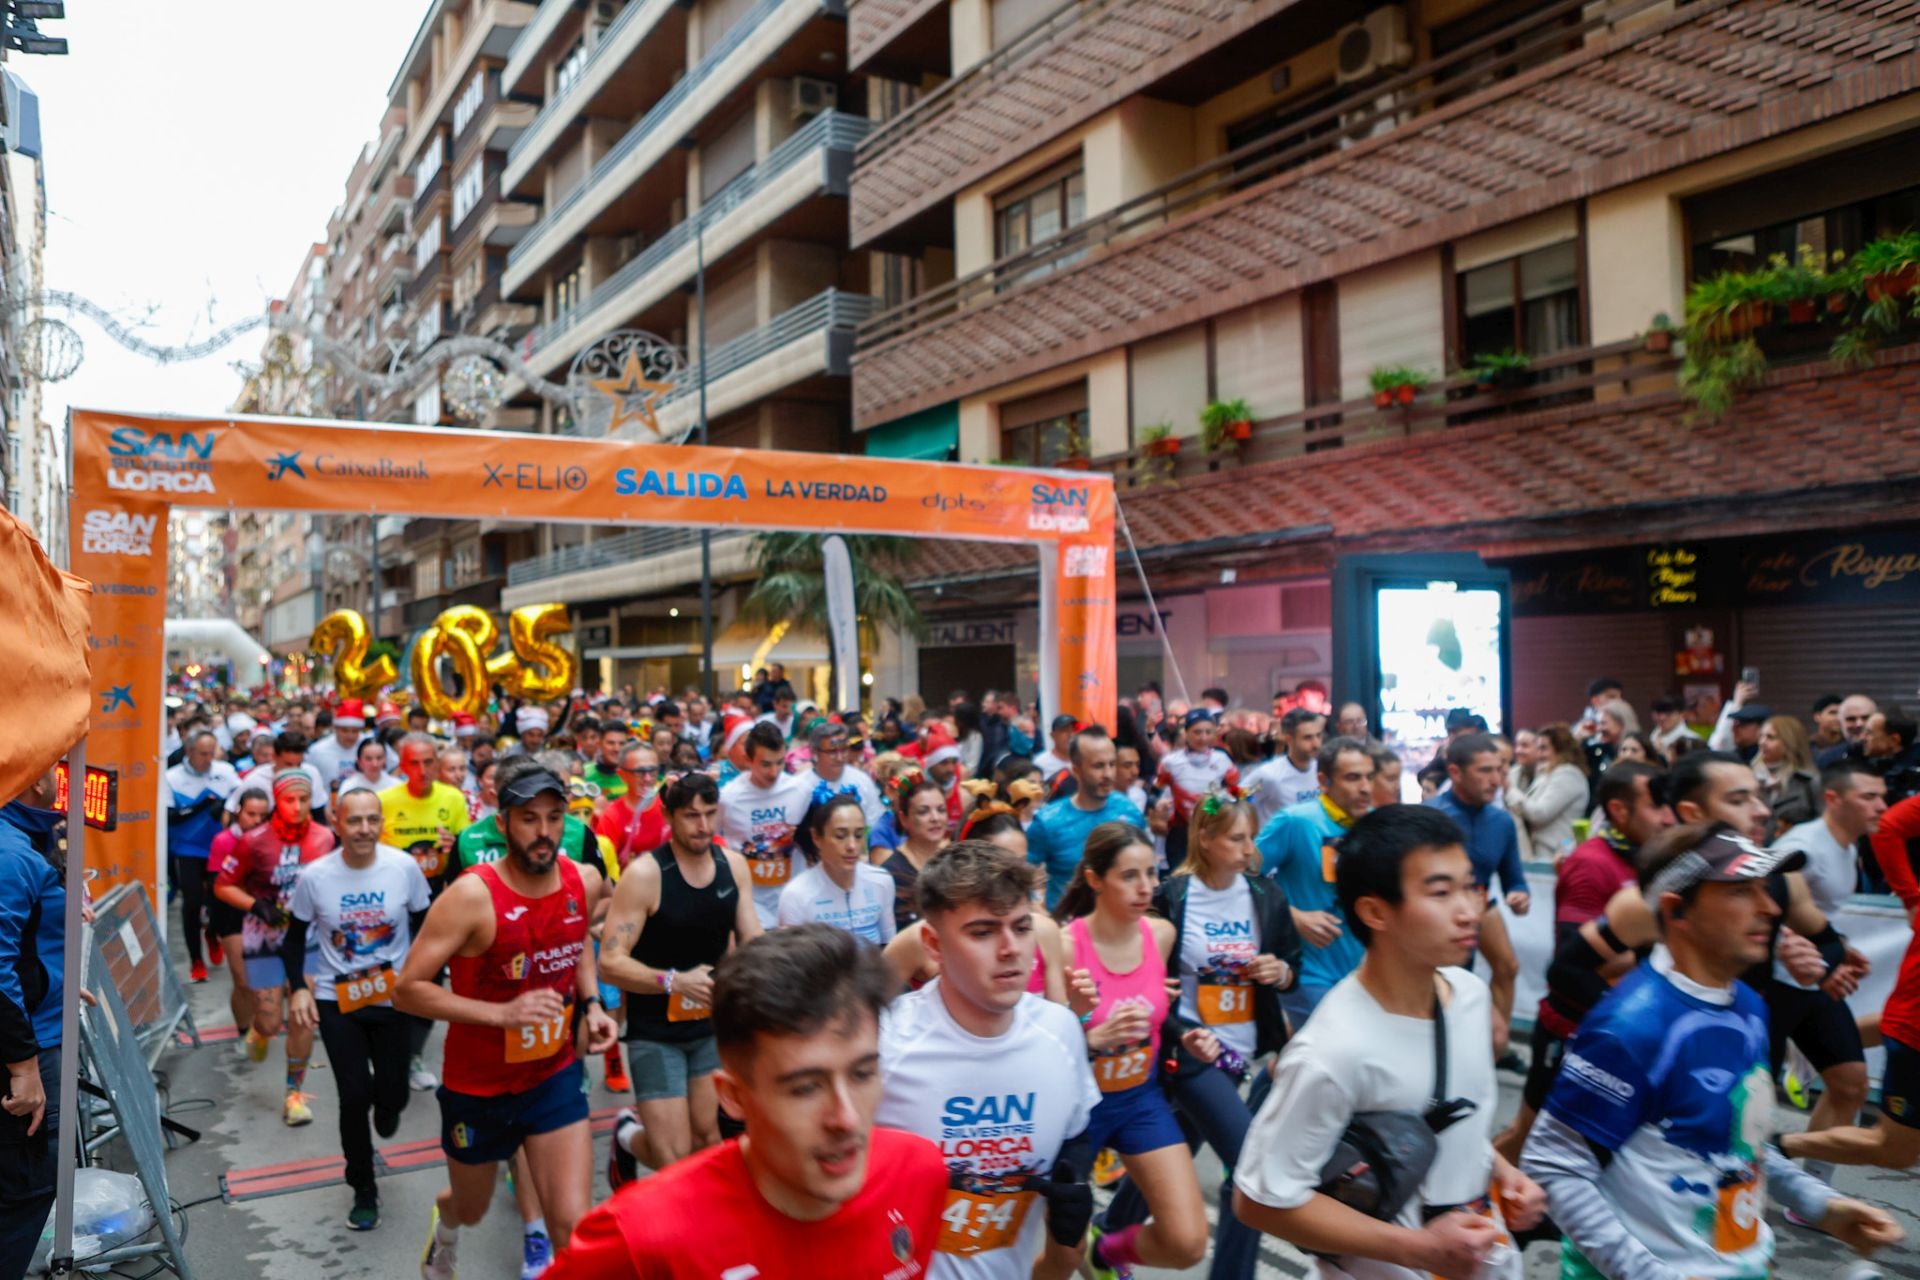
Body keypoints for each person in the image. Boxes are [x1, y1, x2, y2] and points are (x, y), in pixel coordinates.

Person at [1521, 822, 1901, 1277]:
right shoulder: (1631, 1025)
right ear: (1677, 910)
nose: (1769, 906)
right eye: (1741, 891)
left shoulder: (1748, 1005)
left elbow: (1737, 1144)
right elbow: (1555, 1165)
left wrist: (1819, 1204)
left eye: (1766, 888)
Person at [1233, 804, 1545, 1279]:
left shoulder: (1469, 995)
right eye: (1440, 892)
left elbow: (1446, 1125)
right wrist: (1417, 1249)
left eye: (1470, 887)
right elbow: (1259, 1199)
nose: (1468, 911)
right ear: (1375, 911)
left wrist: (1504, 1175)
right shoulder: (1333, 1050)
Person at [546, 924, 946, 1279]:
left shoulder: (920, 1173)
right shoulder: (640, 1236)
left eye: (862, 1074)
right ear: (734, 1097)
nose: (846, 1118)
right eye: (806, 1088)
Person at [398, 764, 617, 1280]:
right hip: (479, 1085)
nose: (544, 832)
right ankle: (445, 1223)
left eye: (555, 817)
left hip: (553, 1074)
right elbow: (407, 989)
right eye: (529, 819)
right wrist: (500, 1015)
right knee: (471, 1208)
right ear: (504, 823)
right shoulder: (472, 896)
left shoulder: (582, 880)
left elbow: (578, 939)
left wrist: (591, 1005)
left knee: (572, 1223)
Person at [876, 841, 1102, 1279]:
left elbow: (1073, 1147)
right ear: (933, 944)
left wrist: (1065, 1241)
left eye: (1021, 928)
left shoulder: (1059, 1032)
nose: (1010, 949)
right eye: (982, 932)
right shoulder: (885, 1043)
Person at [1102, 793, 1300, 1280]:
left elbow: (1291, 966)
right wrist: (1169, 1019)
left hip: (1245, 1049)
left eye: (1252, 837)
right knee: (1250, 1165)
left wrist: (1279, 972)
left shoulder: (1266, 895)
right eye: (1237, 838)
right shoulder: (1172, 895)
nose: (1249, 848)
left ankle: (1107, 1230)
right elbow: (1146, 974)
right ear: (1206, 839)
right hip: (1191, 1049)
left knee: (1178, 1144)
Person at [1052, 823, 1212, 1275]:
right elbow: (1040, 1045)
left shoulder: (1159, 935)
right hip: (1077, 1111)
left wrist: (1186, 1035)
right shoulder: (1064, 947)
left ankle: (1104, 1251)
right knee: (1056, 1259)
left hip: (1140, 1099)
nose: (1146, 888)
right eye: (1129, 876)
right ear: (1094, 879)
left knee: (1187, 1242)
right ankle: (1076, 1251)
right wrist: (1088, 1036)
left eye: (1151, 873)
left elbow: (1156, 1008)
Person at [1494, 760, 1671, 1164]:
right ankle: (1470, 1206)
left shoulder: (1649, 860)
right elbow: (1573, 964)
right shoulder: (1592, 864)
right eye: (1655, 805)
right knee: (1527, 1135)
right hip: (1569, 1027)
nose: (1666, 817)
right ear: (1619, 811)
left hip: (1614, 1031)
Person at [600, 772, 762, 1188]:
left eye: (710, 814)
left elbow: (752, 944)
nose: (703, 826)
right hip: (656, 1031)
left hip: (710, 1026)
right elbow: (610, 962)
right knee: (672, 1156)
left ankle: (704, 1243)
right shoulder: (646, 875)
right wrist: (674, 981)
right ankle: (626, 1137)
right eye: (691, 816)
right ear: (669, 816)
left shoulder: (734, 867)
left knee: (707, 1140)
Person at [283, 787, 433, 1231]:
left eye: (372, 820)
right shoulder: (315, 877)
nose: (364, 829)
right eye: (355, 821)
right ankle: (363, 1188)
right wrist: (299, 989)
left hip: (393, 998)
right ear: (337, 823)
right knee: (353, 1096)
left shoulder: (403, 867)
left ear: (381, 822)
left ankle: (390, 1106)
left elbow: (427, 927)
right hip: (337, 999)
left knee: (392, 1093)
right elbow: (294, 939)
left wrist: (422, 978)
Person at [1765, 760, 1886, 1171]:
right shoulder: (1803, 844)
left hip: (1816, 984)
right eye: (1868, 797)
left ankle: (1811, 1190)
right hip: (1774, 986)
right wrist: (1801, 954)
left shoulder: (1849, 846)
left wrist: (1842, 947)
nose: (1881, 806)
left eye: (1882, 796)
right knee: (1749, 1096)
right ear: (1833, 799)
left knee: (1851, 1084)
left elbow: (1814, 914)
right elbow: (1760, 905)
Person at [214, 770, 338, 1126]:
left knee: (304, 1018)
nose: (297, 807)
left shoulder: (325, 837)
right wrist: (256, 905)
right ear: (276, 802)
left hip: (310, 940)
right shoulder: (254, 841)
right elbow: (224, 886)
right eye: (288, 800)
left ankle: (294, 1096)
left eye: (303, 799)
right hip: (263, 939)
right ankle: (259, 1030)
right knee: (270, 1022)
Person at [1254, 736, 1375, 1026]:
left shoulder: (1377, 825)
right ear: (1324, 780)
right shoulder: (1296, 821)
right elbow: (1240, 875)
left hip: (1365, 970)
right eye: (1352, 778)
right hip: (1308, 970)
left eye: (1370, 777)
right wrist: (1291, 916)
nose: (1365, 788)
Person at [0, 779, 67, 1279]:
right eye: (53, 761)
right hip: (26, 1049)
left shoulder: (22, 841)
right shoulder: (11, 853)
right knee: (26, 1192)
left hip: (36, 1028)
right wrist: (24, 1068)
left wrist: (59, 981)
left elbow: (26, 947)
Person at [1425, 733, 1528, 1034]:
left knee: (1508, 967)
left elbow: (1515, 880)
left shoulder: (1502, 821)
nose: (1496, 780)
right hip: (1439, 908)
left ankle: (1495, 1043)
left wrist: (1520, 895)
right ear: (1455, 772)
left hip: (1480, 901)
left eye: (1500, 769)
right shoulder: (1432, 816)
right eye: (1485, 771)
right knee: (1450, 981)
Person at [1026, 727, 1146, 911]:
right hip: (1068, 930)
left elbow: (1145, 869)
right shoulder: (1048, 821)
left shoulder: (1129, 811)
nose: (1108, 774)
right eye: (1098, 766)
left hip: (1120, 926)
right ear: (1076, 770)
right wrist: (1040, 915)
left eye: (1112, 764)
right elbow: (1019, 875)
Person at [164, 728, 242, 982]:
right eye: (203, 754)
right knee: (192, 903)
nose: (209, 759)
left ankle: (212, 933)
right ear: (189, 752)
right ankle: (196, 960)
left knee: (219, 904)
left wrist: (228, 807)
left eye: (212, 753)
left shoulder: (226, 772)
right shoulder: (171, 777)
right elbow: (169, 818)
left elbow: (243, 801)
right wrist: (202, 806)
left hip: (219, 849)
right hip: (187, 849)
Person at [719, 722, 812, 928]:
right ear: (748, 760)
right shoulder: (728, 798)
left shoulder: (801, 790)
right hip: (752, 901)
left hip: (794, 895)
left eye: (779, 763)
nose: (774, 772)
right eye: (765, 764)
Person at [779, 791, 896, 946]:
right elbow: (791, 964)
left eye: (859, 835)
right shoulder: (796, 895)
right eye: (840, 836)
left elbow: (889, 947)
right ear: (816, 837)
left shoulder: (881, 882)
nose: (852, 846)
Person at [209, 784, 271, 1030]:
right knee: (242, 980)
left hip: (264, 913)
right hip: (231, 913)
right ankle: (244, 1029)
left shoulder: (273, 840)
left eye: (262, 815)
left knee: (263, 980)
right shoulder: (223, 840)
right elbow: (216, 885)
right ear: (238, 812)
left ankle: (261, 1025)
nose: (256, 820)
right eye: (251, 814)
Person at [381, 732, 472, 899]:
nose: (422, 771)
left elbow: (467, 849)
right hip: (398, 890)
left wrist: (456, 846)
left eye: (428, 762)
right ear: (402, 766)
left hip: (441, 889)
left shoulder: (454, 798)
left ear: (437, 763)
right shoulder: (384, 801)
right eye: (414, 763)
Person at [1153, 711, 1239, 870]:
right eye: (1197, 732)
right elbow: (1154, 793)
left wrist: (1210, 808)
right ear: (1186, 733)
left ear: (1214, 733)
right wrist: (1158, 812)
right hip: (1180, 831)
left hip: (1212, 828)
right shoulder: (1171, 762)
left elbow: (1236, 792)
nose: (1203, 737)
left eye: (1208, 732)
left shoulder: (1222, 760)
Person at [874, 773, 950, 933]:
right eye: (923, 812)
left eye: (941, 810)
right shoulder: (891, 874)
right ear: (904, 818)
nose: (935, 818)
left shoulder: (956, 861)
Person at [1504, 724, 1587, 863]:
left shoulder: (1568, 774)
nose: (1539, 754)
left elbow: (1540, 814)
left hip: (1555, 854)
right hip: (1541, 853)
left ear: (1560, 749)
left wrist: (1509, 790)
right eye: (1538, 748)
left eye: (1543, 748)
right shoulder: (1547, 773)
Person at [791, 720, 884, 828]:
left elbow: (874, 822)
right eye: (832, 752)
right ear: (815, 752)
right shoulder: (799, 786)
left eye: (844, 750)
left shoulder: (862, 781)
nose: (840, 758)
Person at [593, 741, 667, 871]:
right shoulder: (612, 816)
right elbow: (604, 867)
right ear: (622, 775)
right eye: (640, 772)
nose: (648, 778)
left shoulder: (671, 807)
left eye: (653, 770)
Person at [1243, 708, 1324, 827]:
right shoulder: (1269, 774)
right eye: (1308, 738)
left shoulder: (1322, 769)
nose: (1316, 744)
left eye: (1318, 736)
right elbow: (1233, 799)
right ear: (1288, 739)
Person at [1754, 712, 1822, 839]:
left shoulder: (1809, 781)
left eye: (1770, 737)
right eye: (1761, 736)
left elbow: (1822, 824)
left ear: (1789, 741)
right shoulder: (1748, 778)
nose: (1762, 742)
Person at [307, 698, 370, 789]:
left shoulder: (370, 746)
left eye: (355, 731)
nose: (350, 735)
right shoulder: (317, 750)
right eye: (344, 730)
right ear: (335, 728)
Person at [1646, 694, 1702, 760]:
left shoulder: (1692, 739)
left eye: (1668, 714)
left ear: (1682, 714)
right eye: (1658, 713)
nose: (1662, 718)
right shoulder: (1651, 736)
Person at [1032, 713, 1076, 783]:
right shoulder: (1041, 762)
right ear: (1053, 736)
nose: (1070, 735)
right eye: (1064, 731)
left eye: (1073, 730)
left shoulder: (1084, 760)